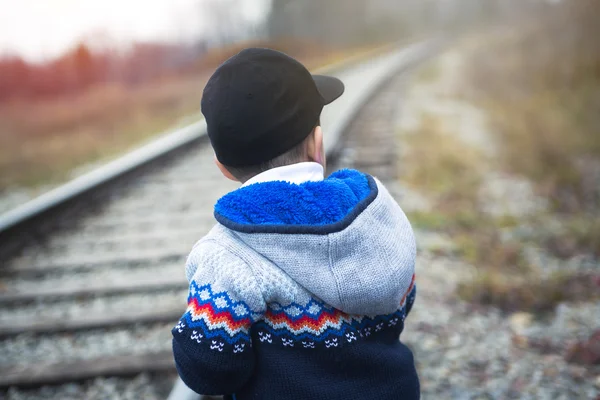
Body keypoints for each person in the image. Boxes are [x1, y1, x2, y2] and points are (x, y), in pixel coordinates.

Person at [171, 47, 419, 400]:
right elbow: (403, 297)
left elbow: (210, 371)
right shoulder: (376, 212)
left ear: (223, 169)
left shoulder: (226, 258)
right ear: (318, 145)